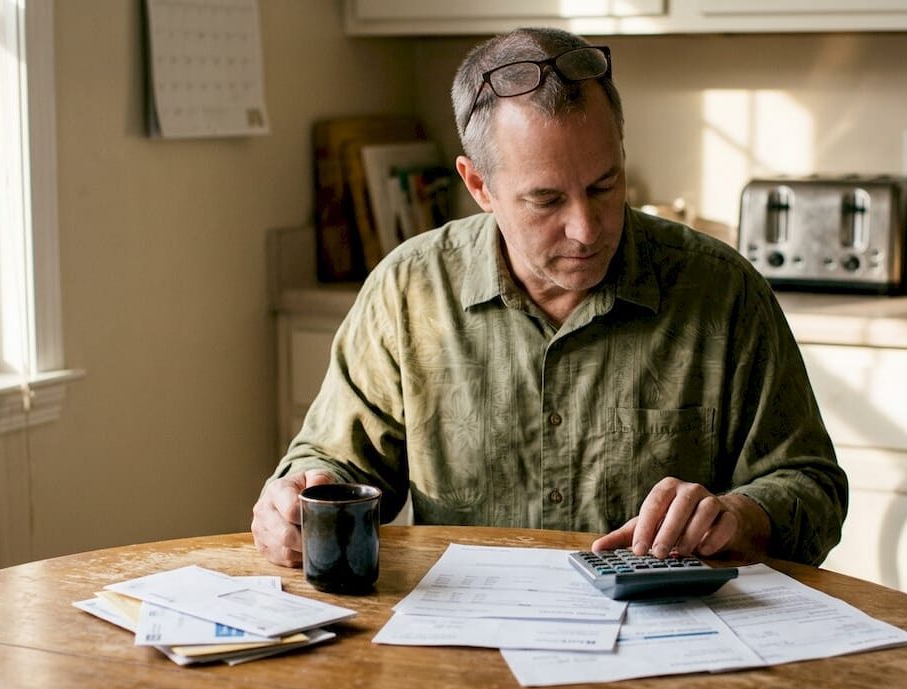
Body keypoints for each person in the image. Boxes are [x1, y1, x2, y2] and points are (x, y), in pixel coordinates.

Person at [252, 27, 847, 569]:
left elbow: (812, 486)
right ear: (479, 185)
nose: (587, 228)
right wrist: (297, 503)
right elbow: (337, 465)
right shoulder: (409, 292)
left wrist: (740, 516)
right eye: (546, 201)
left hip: (669, 649)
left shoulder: (722, 291)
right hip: (468, 644)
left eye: (605, 185)